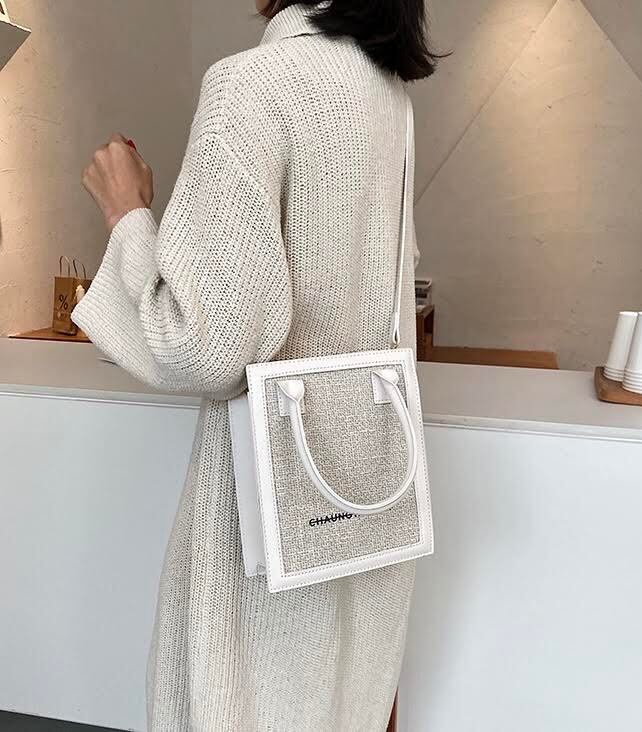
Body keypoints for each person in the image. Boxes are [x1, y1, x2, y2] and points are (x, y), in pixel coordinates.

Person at [73, 1, 437, 729]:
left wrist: (126, 212)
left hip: (267, 526)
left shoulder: (252, 84)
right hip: (363, 503)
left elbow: (203, 347)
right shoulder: (387, 96)